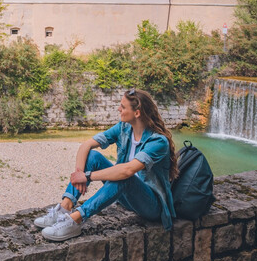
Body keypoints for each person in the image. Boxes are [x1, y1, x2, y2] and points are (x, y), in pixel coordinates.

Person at [36, 88, 178, 241]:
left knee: (125, 175)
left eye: (123, 107)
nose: (119, 109)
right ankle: (65, 207)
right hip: (126, 197)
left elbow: (127, 171)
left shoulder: (158, 141)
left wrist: (87, 176)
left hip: (151, 206)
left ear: (137, 113)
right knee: (93, 156)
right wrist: (79, 174)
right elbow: (86, 146)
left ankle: (76, 219)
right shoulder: (124, 129)